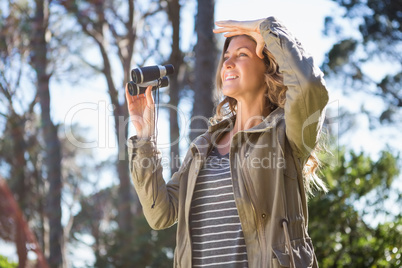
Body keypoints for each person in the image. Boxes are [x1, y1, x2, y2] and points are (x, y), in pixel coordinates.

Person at [126, 16, 329, 268]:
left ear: (268, 68)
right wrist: (145, 137)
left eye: (242, 54)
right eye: (226, 57)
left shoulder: (286, 133)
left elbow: (309, 85)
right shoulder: (203, 146)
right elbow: (160, 214)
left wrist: (267, 29)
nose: (229, 63)